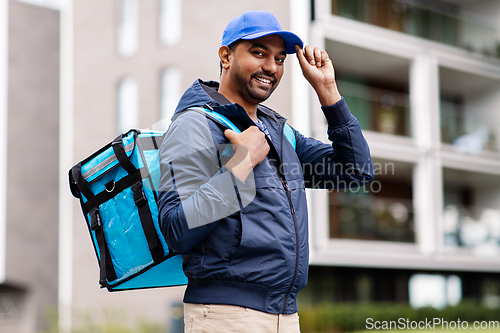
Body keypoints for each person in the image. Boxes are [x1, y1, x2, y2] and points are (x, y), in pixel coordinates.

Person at [158, 10, 374, 333]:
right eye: (259, 52)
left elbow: (356, 172)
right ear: (226, 56)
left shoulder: (280, 132)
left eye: (280, 59)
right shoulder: (194, 125)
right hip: (224, 316)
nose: (271, 67)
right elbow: (176, 228)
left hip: (286, 316)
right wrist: (241, 163)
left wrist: (328, 92)